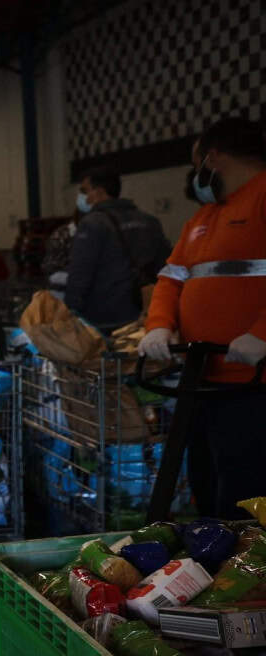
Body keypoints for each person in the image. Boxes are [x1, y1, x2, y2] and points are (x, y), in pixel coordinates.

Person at [139, 116, 266, 519]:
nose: (196, 177)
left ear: (213, 158)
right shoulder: (203, 217)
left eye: (197, 166)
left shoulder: (262, 197)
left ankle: (250, 575)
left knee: (247, 490)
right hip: (202, 380)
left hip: (255, 384)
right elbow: (171, 277)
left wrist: (263, 334)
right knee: (207, 482)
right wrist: (158, 323)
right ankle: (219, 568)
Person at [65, 166, 171, 332]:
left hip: (103, 318)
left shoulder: (92, 224)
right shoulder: (149, 221)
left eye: (85, 191)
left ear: (99, 192)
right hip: (143, 313)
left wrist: (69, 311)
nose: (82, 197)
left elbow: (80, 273)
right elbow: (165, 267)